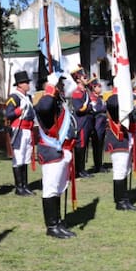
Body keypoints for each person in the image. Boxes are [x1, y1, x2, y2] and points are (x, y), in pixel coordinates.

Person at [35, 72, 78, 239]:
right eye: (59, 83)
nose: (62, 86)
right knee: (51, 189)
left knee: (58, 189)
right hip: (51, 151)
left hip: (61, 151)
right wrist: (50, 87)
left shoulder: (58, 101)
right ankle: (51, 226)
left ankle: (58, 222)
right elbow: (45, 108)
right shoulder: (44, 100)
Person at [104, 91, 136, 210]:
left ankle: (124, 197)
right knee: (120, 170)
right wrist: (124, 98)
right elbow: (113, 104)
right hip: (118, 139)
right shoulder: (114, 99)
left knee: (125, 170)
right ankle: (120, 201)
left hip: (126, 138)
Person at [5, 71, 36, 196]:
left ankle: (25, 185)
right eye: (26, 82)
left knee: (25, 158)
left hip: (28, 130)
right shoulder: (14, 97)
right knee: (18, 158)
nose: (28, 84)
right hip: (19, 130)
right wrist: (19, 110)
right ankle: (19, 187)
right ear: (19, 84)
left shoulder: (28, 97)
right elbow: (8, 114)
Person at [69, 66, 94, 179]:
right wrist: (89, 107)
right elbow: (79, 109)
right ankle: (80, 170)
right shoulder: (77, 92)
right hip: (81, 122)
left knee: (84, 146)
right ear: (78, 79)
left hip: (86, 122)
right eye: (84, 77)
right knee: (80, 146)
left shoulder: (85, 91)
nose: (86, 78)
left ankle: (81, 169)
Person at [88, 77, 107, 174]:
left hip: (102, 123)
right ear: (93, 87)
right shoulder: (92, 98)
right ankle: (97, 165)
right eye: (98, 86)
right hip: (97, 124)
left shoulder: (100, 97)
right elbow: (95, 109)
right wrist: (103, 108)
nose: (100, 88)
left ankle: (100, 164)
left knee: (101, 145)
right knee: (97, 145)